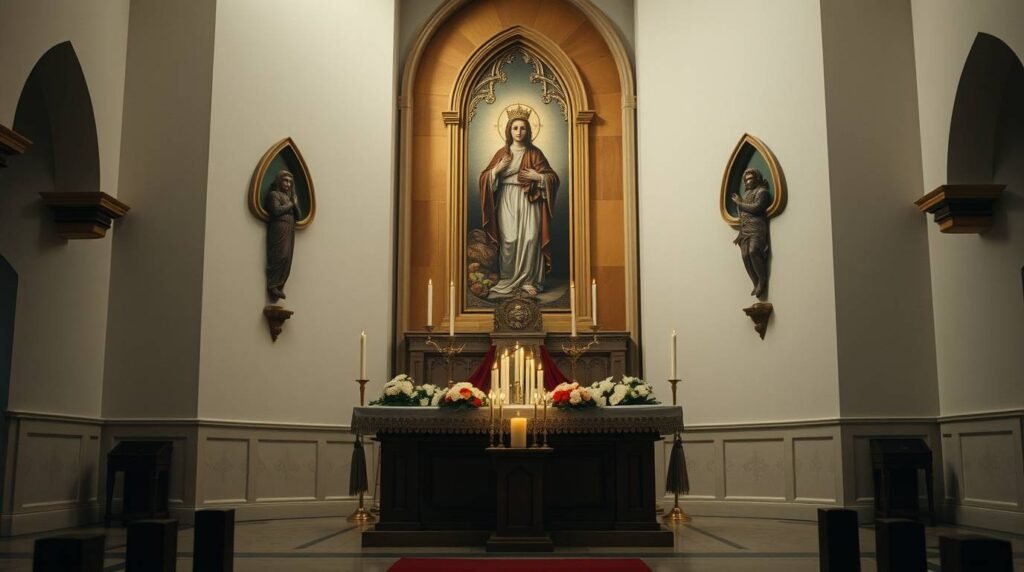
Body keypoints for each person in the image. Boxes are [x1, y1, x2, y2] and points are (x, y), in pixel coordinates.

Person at [478, 106, 559, 298]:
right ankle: (508, 279)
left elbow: (552, 178)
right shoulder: (502, 153)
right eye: (515, 128)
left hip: (530, 202)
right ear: (509, 130)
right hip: (507, 198)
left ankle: (529, 281)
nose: (519, 132)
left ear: (528, 131)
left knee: (531, 238)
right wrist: (496, 171)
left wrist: (538, 177)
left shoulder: (535, 153)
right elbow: (484, 179)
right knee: (510, 239)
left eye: (523, 128)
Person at [731, 168, 771, 298]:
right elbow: (742, 214)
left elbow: (757, 207)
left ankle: (762, 280)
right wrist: (740, 204)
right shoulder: (747, 196)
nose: (748, 182)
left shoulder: (762, 192)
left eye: (751, 179)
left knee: (753, 251)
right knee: (745, 255)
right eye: (746, 180)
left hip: (756, 228)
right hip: (745, 230)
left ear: (757, 179)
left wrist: (739, 203)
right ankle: (756, 282)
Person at [266, 170, 299, 301]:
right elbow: (276, 211)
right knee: (281, 254)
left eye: (290, 182)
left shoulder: (289, 197)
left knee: (288, 258)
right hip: (279, 227)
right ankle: (273, 284)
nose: (288, 184)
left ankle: (280, 284)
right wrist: (291, 204)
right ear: (279, 181)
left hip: (290, 228)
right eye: (285, 181)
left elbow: (299, 216)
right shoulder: (274, 195)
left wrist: (294, 204)